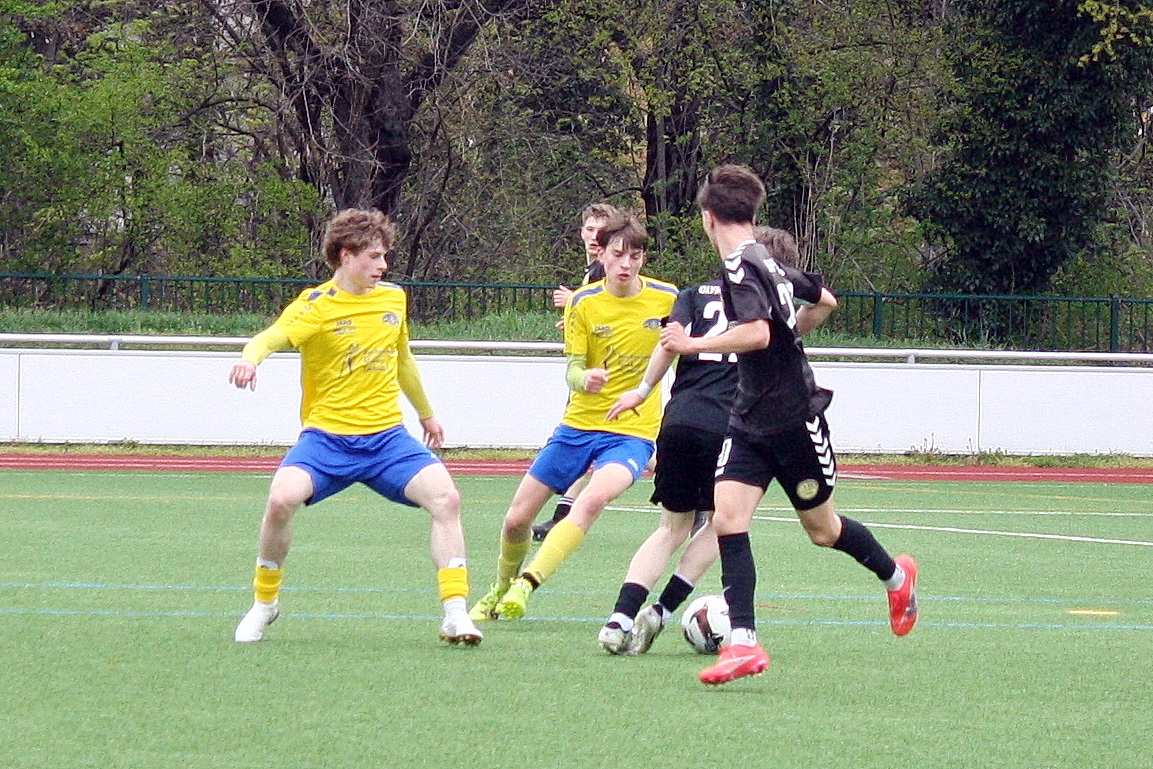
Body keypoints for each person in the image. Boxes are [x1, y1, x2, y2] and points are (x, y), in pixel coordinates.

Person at [660, 165, 918, 685]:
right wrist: (792, 333)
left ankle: (897, 577)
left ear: (708, 218)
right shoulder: (766, 261)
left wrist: (693, 344)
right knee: (728, 520)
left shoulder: (742, 265)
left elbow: (756, 333)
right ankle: (743, 644)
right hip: (748, 420)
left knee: (823, 531)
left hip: (795, 421)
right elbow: (824, 301)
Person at [229, 208, 483, 647]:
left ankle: (455, 613)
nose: (383, 265)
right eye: (374, 256)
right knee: (280, 500)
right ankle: (264, 603)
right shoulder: (315, 306)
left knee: (447, 499)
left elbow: (403, 360)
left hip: (387, 440)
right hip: (327, 440)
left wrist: (426, 414)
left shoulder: (393, 299)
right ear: (345, 255)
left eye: (384, 256)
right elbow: (270, 337)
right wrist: (249, 361)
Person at [469, 212, 678, 622]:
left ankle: (527, 584)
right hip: (577, 426)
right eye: (618, 254)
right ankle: (500, 587)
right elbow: (573, 369)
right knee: (516, 520)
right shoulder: (583, 302)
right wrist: (587, 379)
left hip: (631, 431)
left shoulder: (667, 298)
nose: (626, 264)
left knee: (593, 497)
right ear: (601, 255)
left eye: (635, 256)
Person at [595, 279, 738, 655]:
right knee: (723, 523)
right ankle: (662, 609)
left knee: (670, 528)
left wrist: (641, 391)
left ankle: (618, 620)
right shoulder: (765, 304)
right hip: (729, 425)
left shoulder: (693, 295)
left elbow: (668, 344)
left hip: (679, 420)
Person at [531, 202, 619, 542]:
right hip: (590, 372)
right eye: (590, 229)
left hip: (605, 374)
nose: (594, 236)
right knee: (591, 442)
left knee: (624, 443)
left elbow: (613, 314)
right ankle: (563, 515)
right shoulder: (593, 271)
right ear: (581, 232)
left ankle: (692, 493)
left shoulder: (604, 271)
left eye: (602, 230)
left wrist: (573, 303)